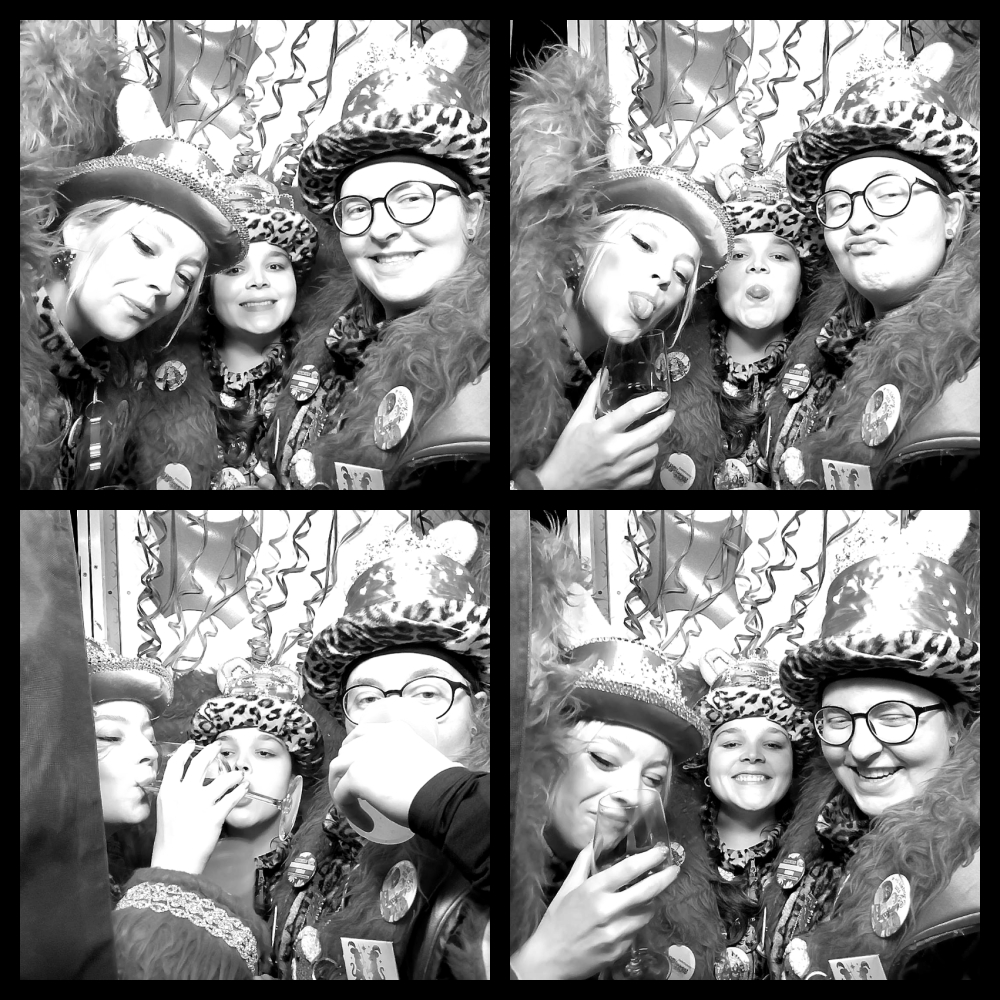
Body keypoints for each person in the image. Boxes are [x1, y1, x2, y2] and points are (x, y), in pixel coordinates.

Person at [20, 26, 249, 488]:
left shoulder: (115, 379)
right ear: (80, 228)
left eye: (185, 277)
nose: (164, 285)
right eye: (145, 246)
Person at [267, 29, 490, 489]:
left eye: (412, 199)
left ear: (472, 213)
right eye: (357, 209)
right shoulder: (333, 342)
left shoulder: (496, 360)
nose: (382, 229)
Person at [763, 509, 980, 978]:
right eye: (838, 721)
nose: (860, 749)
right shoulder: (818, 832)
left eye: (894, 718)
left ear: (958, 723)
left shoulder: (968, 891)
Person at [272, 519, 490, 978]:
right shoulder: (325, 829)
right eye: (367, 699)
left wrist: (444, 800)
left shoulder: (511, 806)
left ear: (478, 712)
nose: (391, 717)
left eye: (426, 692)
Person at [509, 47, 732, 490]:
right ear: (584, 243)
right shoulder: (506, 338)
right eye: (645, 243)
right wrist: (556, 482)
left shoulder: (596, 380)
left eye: (682, 275)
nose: (664, 277)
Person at [510, 521, 725, 979]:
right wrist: (536, 967)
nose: (632, 794)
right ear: (542, 757)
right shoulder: (477, 871)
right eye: (604, 759)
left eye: (654, 778)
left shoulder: (654, 891)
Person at [766, 42, 979, 489]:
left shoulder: (967, 375)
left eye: (889, 194)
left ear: (952, 214)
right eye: (838, 204)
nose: (859, 221)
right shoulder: (817, 349)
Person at [682, 650, 816, 978]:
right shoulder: (661, 852)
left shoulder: (826, 860)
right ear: (706, 765)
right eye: (731, 744)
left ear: (793, 765)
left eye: (773, 745)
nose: (753, 755)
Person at [190, 173, 318, 488]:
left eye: (275, 266)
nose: (259, 281)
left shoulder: (332, 372)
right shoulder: (163, 375)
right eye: (235, 269)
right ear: (207, 291)